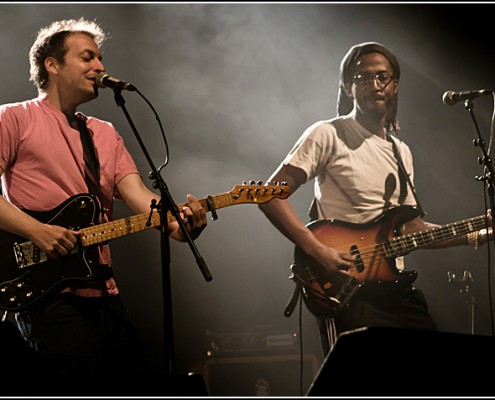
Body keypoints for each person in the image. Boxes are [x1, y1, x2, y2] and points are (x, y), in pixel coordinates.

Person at [0, 17, 207, 387]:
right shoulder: (13, 118)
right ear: (52, 64)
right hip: (48, 296)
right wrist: (38, 231)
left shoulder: (104, 132)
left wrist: (180, 225)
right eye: (87, 58)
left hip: (105, 293)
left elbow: (140, 197)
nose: (100, 67)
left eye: (100, 58)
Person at [258, 41, 492, 357]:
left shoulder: (401, 152)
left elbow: (410, 229)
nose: (374, 85)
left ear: (395, 84)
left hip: (395, 291)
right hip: (348, 291)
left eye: (382, 77)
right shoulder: (327, 133)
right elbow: (268, 196)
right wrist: (317, 250)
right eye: (363, 77)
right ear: (347, 86)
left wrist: (476, 232)